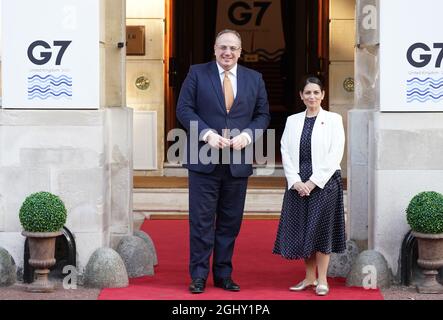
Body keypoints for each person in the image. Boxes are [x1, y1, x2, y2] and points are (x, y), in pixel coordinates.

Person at [176, 29, 270, 294]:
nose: (227, 52)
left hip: (237, 162)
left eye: (233, 48)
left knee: (230, 223)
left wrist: (248, 136)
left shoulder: (255, 79)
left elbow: (263, 114)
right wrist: (206, 134)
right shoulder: (197, 73)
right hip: (203, 161)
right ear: (215, 49)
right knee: (201, 222)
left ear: (241, 52)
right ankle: (198, 276)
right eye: (223, 47)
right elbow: (183, 109)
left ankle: (223, 275)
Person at [273, 75, 346, 296]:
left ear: (323, 94)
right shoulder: (292, 120)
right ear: (301, 96)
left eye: (316, 92)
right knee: (304, 230)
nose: (312, 96)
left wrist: (313, 182)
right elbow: (284, 150)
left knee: (321, 231)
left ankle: (322, 280)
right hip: (297, 183)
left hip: (324, 183)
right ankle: (309, 278)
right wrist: (295, 181)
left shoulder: (333, 119)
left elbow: (335, 154)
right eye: (308, 93)